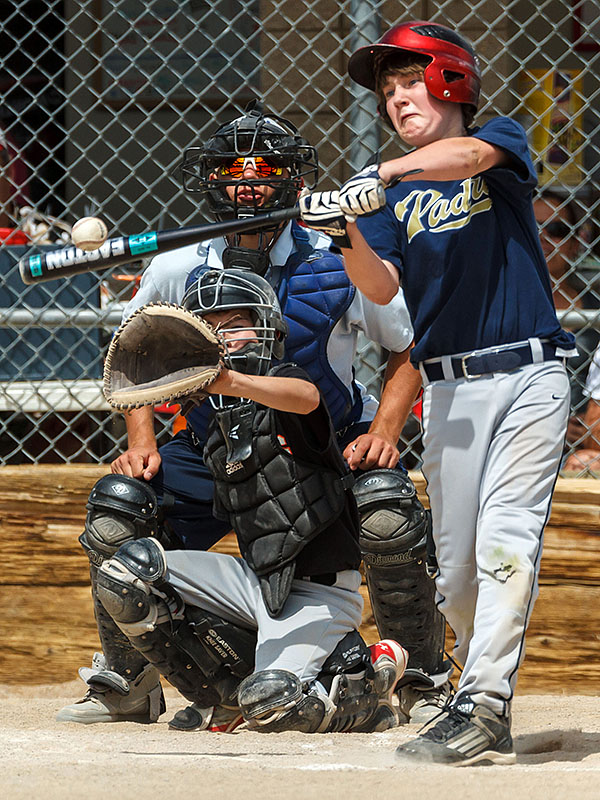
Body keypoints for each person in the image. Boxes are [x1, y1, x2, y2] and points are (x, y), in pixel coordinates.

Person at [57, 102, 449, 728]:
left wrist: (384, 432)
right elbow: (136, 348)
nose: (248, 182)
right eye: (233, 170)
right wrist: (141, 437)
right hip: (213, 434)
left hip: (319, 439)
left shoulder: (333, 252)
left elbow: (407, 346)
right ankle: (129, 679)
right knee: (118, 508)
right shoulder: (179, 262)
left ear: (293, 180)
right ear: (210, 180)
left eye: (265, 169)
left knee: (384, 504)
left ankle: (421, 680)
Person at [299, 20, 576, 765]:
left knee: (503, 544)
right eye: (386, 90)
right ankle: (478, 689)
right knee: (455, 576)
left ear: (450, 79)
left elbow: (467, 156)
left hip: (526, 377)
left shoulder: (496, 142)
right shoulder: (387, 198)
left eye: (408, 81)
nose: (396, 97)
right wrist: (344, 231)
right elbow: (382, 286)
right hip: (449, 395)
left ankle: (481, 705)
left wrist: (384, 174)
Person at [93, 268, 409, 734]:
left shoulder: (284, 382)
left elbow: (306, 397)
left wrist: (232, 382)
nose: (222, 337)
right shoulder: (209, 419)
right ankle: (222, 697)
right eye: (210, 327)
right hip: (254, 583)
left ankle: (368, 683)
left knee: (275, 708)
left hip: (318, 593)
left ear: (265, 326)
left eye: (235, 324)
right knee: (127, 574)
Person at [534, 190, 600, 446]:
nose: (544, 237)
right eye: (533, 226)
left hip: (581, 443)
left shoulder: (593, 309)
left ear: (574, 243)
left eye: (557, 230)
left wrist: (588, 429)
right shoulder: (498, 304)